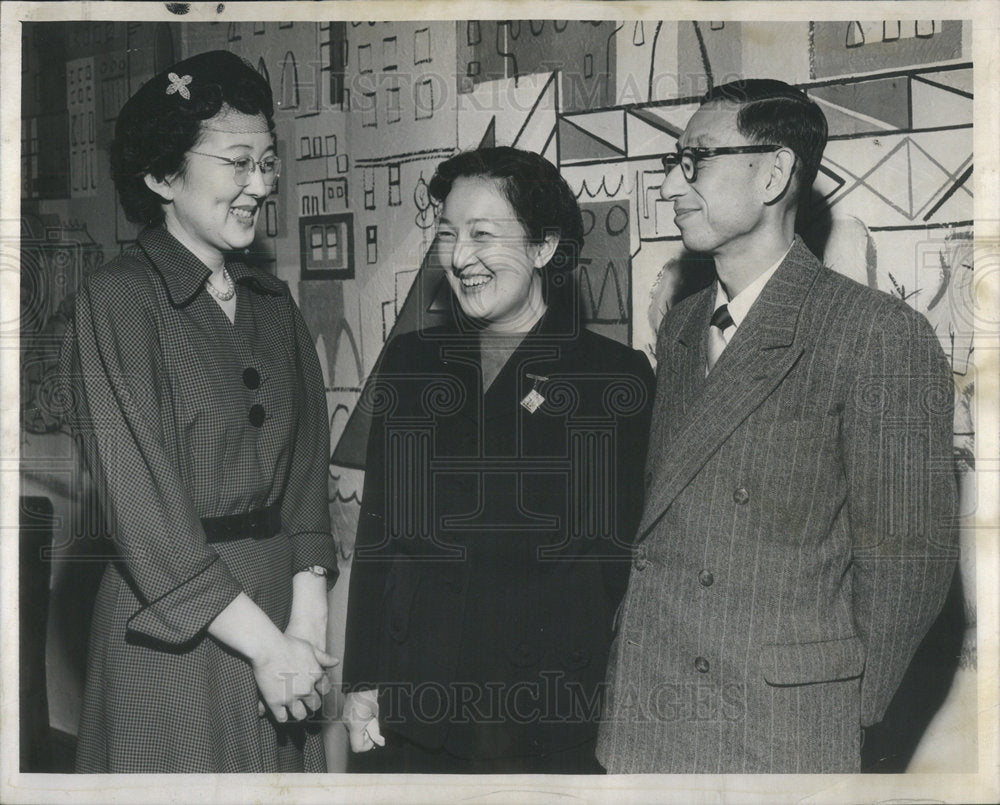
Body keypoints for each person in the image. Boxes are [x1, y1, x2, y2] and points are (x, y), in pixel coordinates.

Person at [596, 79, 958, 774]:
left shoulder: (877, 333)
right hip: (650, 711)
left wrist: (830, 703)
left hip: (774, 734)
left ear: (774, 172)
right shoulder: (681, 324)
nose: (674, 183)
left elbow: (909, 564)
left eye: (695, 159)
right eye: (675, 161)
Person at [60, 50, 338, 773]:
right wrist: (268, 646)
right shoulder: (115, 300)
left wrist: (304, 632)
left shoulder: (276, 308)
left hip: (281, 613)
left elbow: (308, 480)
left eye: (268, 163)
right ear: (161, 177)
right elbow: (140, 506)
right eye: (237, 163)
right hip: (174, 628)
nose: (260, 185)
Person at [342, 146, 655, 773]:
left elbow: (619, 568)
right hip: (415, 709)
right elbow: (378, 541)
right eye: (449, 234)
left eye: (483, 235)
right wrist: (362, 682)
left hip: (540, 719)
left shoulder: (611, 378)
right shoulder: (409, 365)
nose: (459, 258)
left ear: (543, 248)